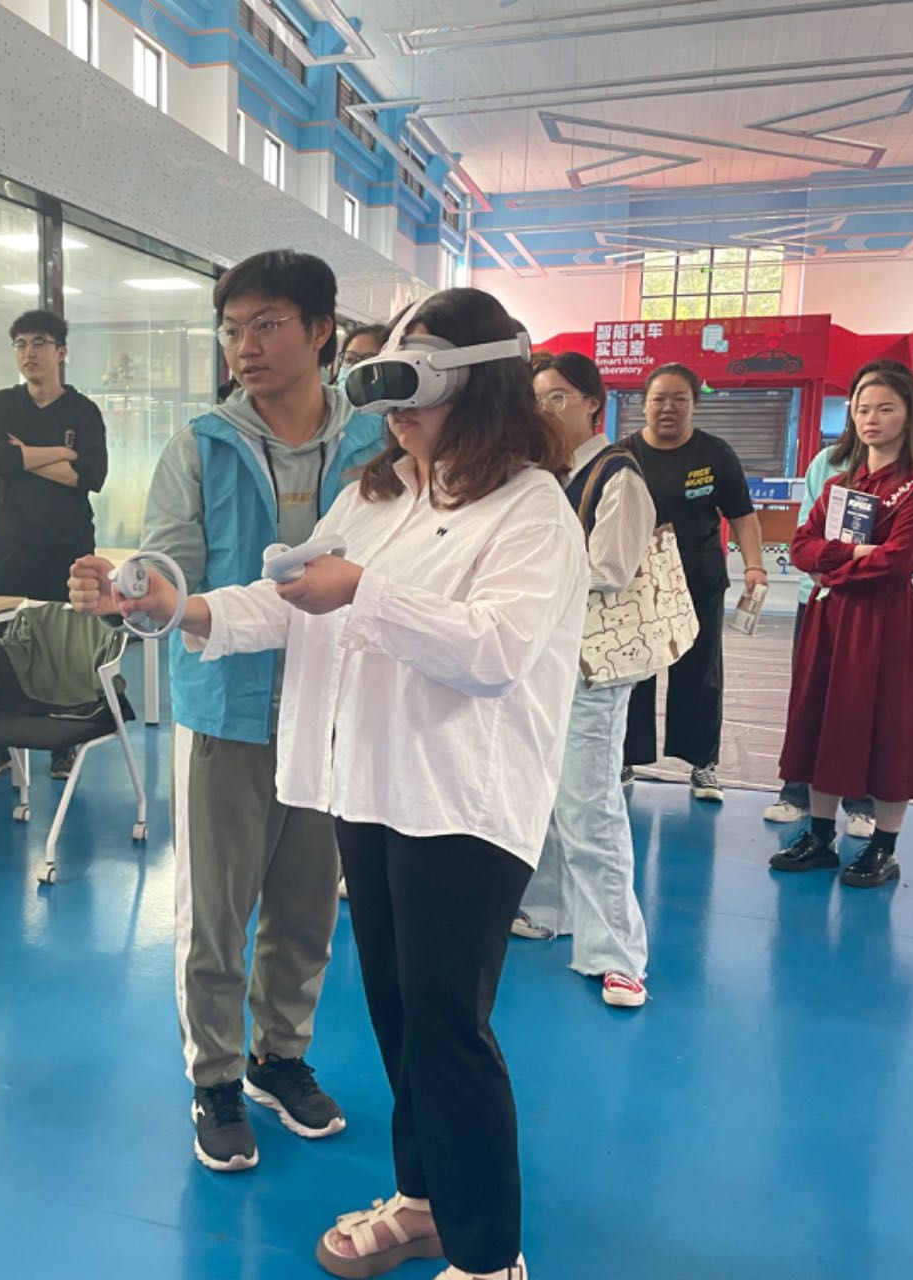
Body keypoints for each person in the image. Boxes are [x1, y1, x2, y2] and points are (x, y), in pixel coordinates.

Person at [78, 287, 584, 1280]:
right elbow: (287, 603)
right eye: (380, 388)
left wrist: (364, 592)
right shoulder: (378, 496)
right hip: (372, 787)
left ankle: (489, 1254)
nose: (392, 411)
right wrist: (175, 604)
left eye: (411, 385)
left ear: (476, 384)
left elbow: (494, 649)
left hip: (463, 802)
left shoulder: (531, 509)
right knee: (397, 1010)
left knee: (448, 1023)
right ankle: (425, 1201)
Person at [69, 250, 386, 1174]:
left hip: (333, 709)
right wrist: (133, 592)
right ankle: (213, 1076)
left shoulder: (377, 442)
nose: (244, 345)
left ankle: (279, 1058)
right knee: (216, 914)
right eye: (232, 328)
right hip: (226, 711)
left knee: (307, 907)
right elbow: (169, 569)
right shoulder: (201, 444)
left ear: (320, 332)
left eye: (267, 324)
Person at [514, 351, 656, 1008]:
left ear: (593, 403)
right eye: (537, 398)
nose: (544, 410)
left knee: (589, 803)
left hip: (593, 667)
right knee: (542, 794)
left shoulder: (617, 474)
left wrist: (530, 567)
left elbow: (613, 568)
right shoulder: (549, 475)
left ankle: (617, 952)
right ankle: (549, 909)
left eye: (558, 397)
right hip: (545, 659)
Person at [771, 366, 913, 888]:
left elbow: (897, 561)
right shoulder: (840, 483)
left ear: (909, 414)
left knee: (889, 727)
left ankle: (882, 848)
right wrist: (849, 555)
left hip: (883, 623)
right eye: (863, 408)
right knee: (822, 718)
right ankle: (820, 836)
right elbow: (801, 547)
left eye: (886, 408)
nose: (872, 418)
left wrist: (832, 567)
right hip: (830, 618)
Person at [622, 363, 766, 801]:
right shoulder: (623, 455)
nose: (668, 408)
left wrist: (755, 566)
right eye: (659, 399)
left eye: (679, 399)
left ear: (694, 405)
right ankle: (624, 757)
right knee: (633, 673)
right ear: (644, 405)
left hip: (699, 582)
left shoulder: (715, 454)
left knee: (700, 674)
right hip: (638, 586)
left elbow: (742, 516)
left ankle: (703, 765)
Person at [0, 310, 108, 778]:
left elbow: (91, 475)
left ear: (61, 352)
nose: (28, 353)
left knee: (66, 644)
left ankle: (63, 743)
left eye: (39, 343)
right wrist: (62, 452)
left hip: (67, 544)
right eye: (20, 344)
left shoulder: (83, 411)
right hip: (10, 543)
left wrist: (26, 456)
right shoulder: (3, 403)